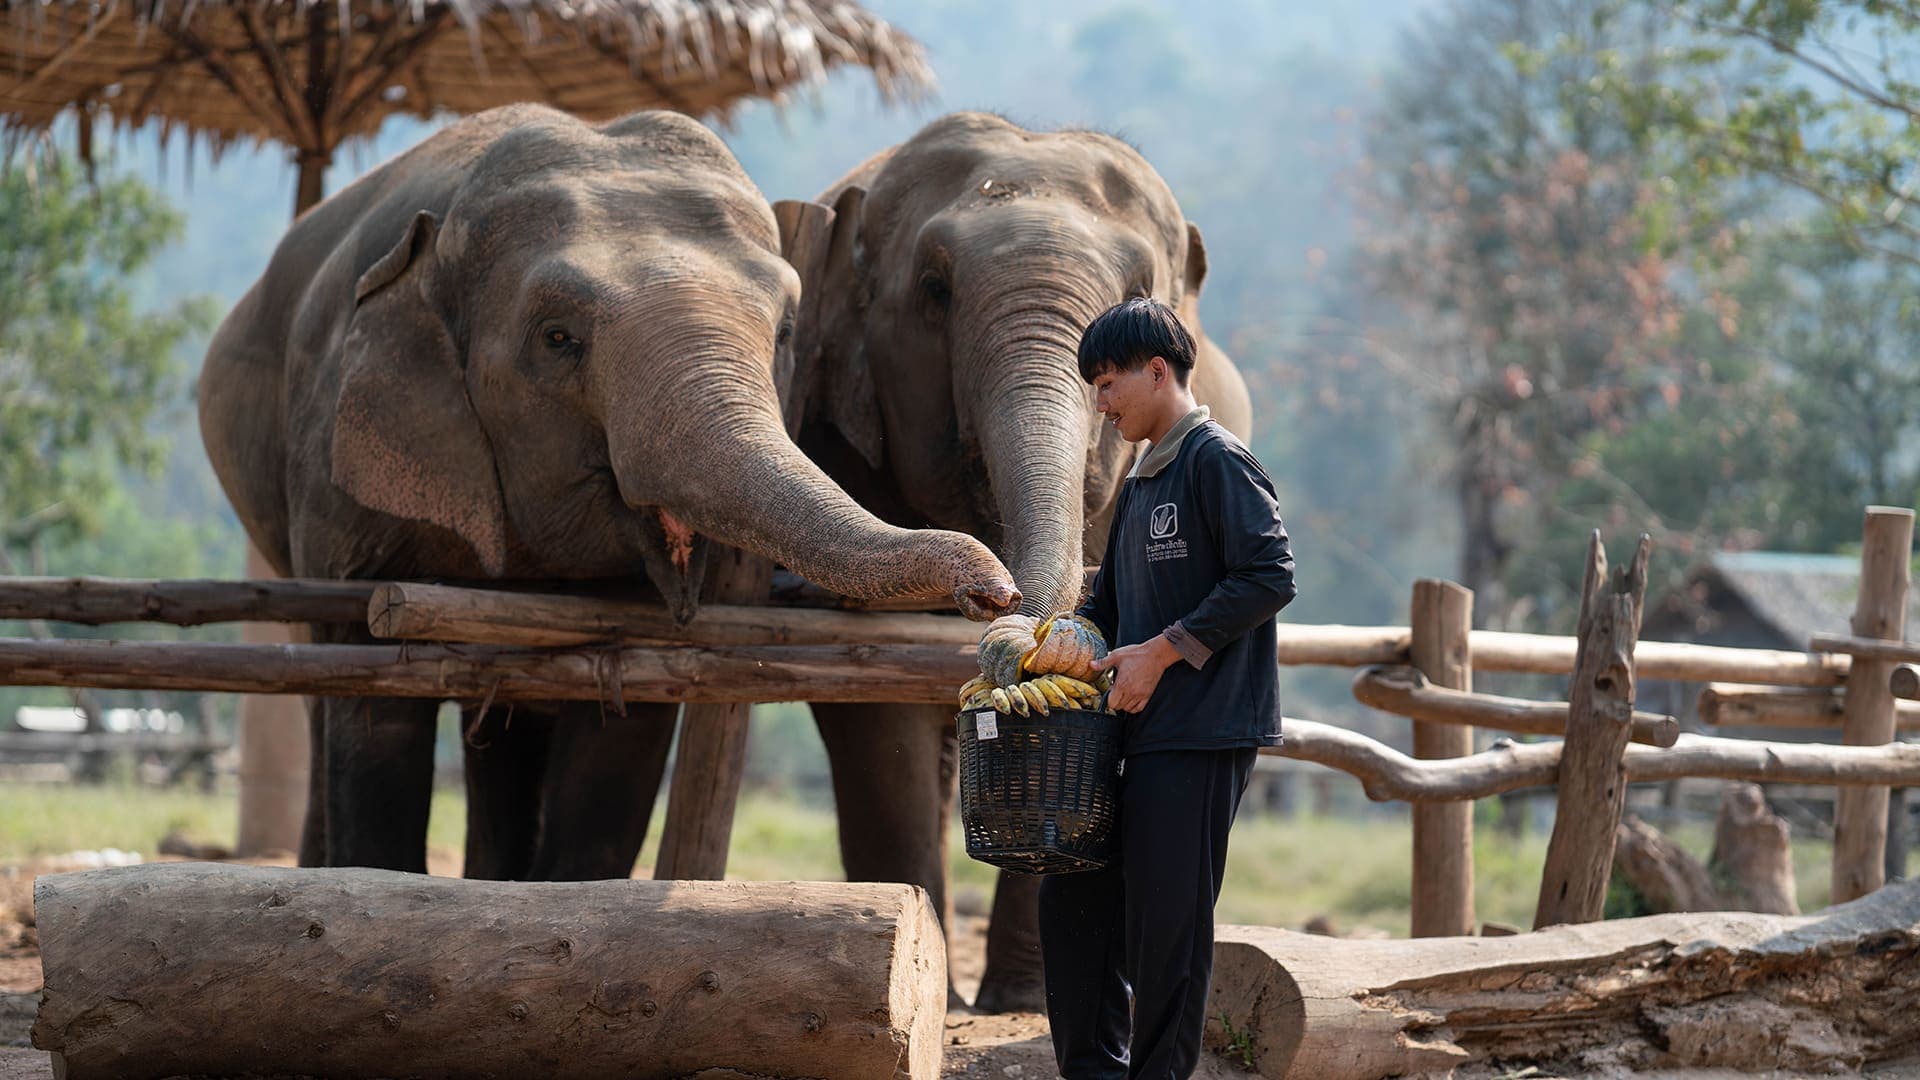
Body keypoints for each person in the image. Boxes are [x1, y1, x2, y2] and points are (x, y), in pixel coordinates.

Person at [1041, 297, 1296, 1079]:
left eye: (1109, 383)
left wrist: (1167, 650)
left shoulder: (1215, 459)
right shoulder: (1142, 477)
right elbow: (1107, 601)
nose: (1101, 403)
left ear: (1159, 372)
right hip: (1135, 735)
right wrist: (1075, 635)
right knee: (1073, 903)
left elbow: (1270, 572)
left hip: (1203, 730)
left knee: (1168, 931)